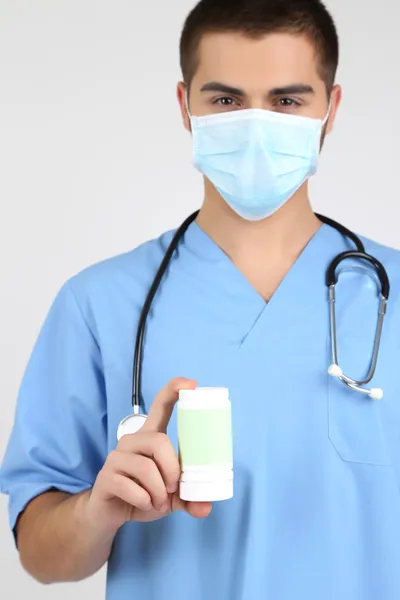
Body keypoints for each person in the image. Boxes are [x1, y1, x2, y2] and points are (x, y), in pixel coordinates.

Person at [1, 0, 400, 598]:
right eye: (226, 100)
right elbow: (39, 555)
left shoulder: (389, 296)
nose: (256, 124)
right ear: (186, 108)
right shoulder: (100, 305)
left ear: (330, 110)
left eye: (287, 101)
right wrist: (97, 510)